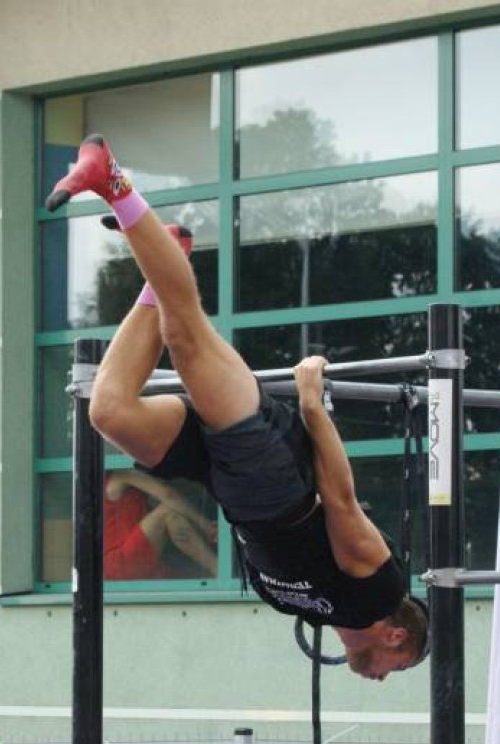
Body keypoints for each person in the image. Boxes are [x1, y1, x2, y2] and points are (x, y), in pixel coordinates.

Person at [47, 134, 429, 681]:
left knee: (108, 411)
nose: (381, 674)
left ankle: (165, 262)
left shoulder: (317, 613)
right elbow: (342, 502)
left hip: (229, 489)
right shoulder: (378, 591)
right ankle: (114, 183)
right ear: (397, 635)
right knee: (185, 337)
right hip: (273, 474)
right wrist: (312, 405)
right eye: (398, 665)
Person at [103, 468, 217, 580]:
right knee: (168, 512)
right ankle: (217, 568)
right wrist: (206, 525)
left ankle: (217, 570)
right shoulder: (121, 474)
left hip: (115, 571)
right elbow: (167, 494)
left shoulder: (97, 488)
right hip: (120, 562)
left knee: (190, 578)